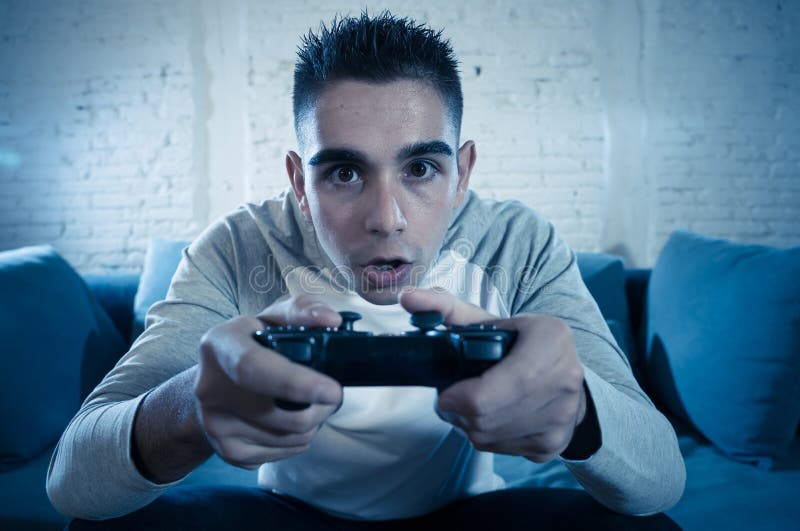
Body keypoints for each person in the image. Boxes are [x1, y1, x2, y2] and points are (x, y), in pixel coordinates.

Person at [47, 11, 685, 530]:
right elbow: (72, 482)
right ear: (300, 181)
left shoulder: (517, 243)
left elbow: (661, 479)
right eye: (345, 172)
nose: (388, 219)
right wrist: (187, 407)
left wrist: (579, 411)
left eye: (420, 170)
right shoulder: (239, 248)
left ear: (462, 173)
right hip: (287, 515)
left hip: (467, 517)